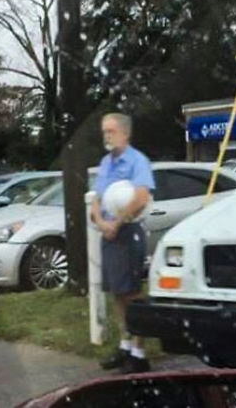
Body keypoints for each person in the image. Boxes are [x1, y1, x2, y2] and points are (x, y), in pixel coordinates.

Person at [90, 112, 154, 374]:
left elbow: (140, 197)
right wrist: (101, 222)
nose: (106, 136)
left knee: (131, 293)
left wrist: (116, 224)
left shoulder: (138, 161)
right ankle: (125, 345)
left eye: (111, 131)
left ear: (125, 134)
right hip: (109, 235)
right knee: (117, 292)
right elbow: (95, 197)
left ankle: (139, 353)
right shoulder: (106, 162)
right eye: (104, 131)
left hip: (127, 233)